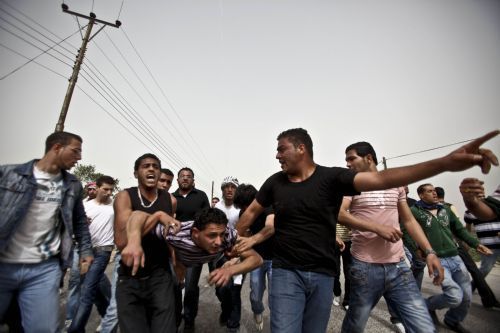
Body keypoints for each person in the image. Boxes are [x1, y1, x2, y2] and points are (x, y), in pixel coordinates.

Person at [236, 128, 499, 333]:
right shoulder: (274, 182)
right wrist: (241, 240)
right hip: (288, 271)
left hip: (328, 272)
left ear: (301, 148)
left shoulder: (332, 178)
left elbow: (382, 180)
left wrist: (445, 162)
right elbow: (249, 215)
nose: (277, 155)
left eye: (281, 149)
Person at [338, 142, 443, 333]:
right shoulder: (351, 185)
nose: (347, 164)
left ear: (369, 158)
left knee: (423, 326)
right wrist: (376, 227)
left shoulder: (395, 185)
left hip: (399, 266)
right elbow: (340, 213)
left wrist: (429, 251)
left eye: (351, 158)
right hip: (364, 267)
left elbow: (409, 220)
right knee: (355, 324)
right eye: (346, 160)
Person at [0, 131, 93, 333]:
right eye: (76, 151)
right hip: (4, 264)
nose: (79, 158)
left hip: (44, 269)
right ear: (57, 147)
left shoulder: (73, 185)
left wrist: (86, 252)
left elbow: (79, 222)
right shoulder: (9, 174)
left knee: (43, 328)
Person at [411, 183, 492, 333]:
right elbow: (408, 231)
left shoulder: (445, 209)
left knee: (467, 296)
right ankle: (427, 306)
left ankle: (452, 320)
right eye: (429, 191)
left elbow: (460, 230)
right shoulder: (415, 212)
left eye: (434, 191)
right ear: (421, 195)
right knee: (454, 296)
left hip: (455, 258)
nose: (434, 193)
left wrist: (476, 244)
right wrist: (418, 250)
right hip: (437, 260)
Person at [113, 153, 181, 333]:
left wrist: (177, 262)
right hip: (130, 277)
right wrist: (158, 216)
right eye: (145, 166)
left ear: (159, 174)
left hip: (160, 276)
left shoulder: (170, 200)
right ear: (136, 173)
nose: (151, 169)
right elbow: (121, 242)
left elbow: (169, 235)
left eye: (155, 166)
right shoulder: (125, 197)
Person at [68, 175, 116, 333]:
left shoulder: (114, 206)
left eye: (111, 189)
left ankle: (75, 329)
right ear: (97, 188)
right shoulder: (84, 205)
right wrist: (82, 223)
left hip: (103, 251)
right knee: (93, 291)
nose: (108, 192)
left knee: (87, 291)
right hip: (84, 251)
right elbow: (73, 227)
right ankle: (107, 316)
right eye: (105, 189)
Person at [171, 167, 210, 331]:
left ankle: (189, 320)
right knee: (174, 285)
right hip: (175, 248)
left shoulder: (201, 196)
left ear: (193, 180)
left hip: (194, 249)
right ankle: (175, 317)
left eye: (189, 176)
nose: (185, 179)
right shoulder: (171, 197)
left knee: (191, 287)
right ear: (178, 180)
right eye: (182, 176)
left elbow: (207, 218)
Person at [233, 184, 275, 331]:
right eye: (242, 207)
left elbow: (270, 227)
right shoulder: (243, 214)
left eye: (247, 205)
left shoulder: (268, 208)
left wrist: (252, 239)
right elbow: (242, 236)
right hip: (256, 259)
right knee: (255, 294)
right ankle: (257, 312)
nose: (245, 210)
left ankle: (278, 324)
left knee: (275, 296)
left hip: (275, 259)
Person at [213, 176, 244, 332]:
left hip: (238, 253)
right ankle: (225, 309)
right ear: (222, 189)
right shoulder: (216, 207)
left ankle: (234, 325)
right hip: (218, 254)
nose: (229, 189)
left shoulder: (241, 209)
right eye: (226, 186)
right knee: (221, 289)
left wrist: (239, 254)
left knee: (234, 290)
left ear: (236, 189)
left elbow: (247, 232)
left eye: (233, 186)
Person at [460, 179, 500, 278]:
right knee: (485, 269)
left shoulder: (495, 205)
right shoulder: (469, 212)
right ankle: (474, 285)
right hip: (487, 246)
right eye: (478, 196)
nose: (481, 197)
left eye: (482, 195)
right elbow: (468, 228)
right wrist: (467, 242)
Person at [332, 223, 352, 311]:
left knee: (349, 273)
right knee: (335, 271)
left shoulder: (351, 208)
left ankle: (347, 300)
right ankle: (337, 293)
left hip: (349, 242)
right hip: (334, 242)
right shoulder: (333, 208)